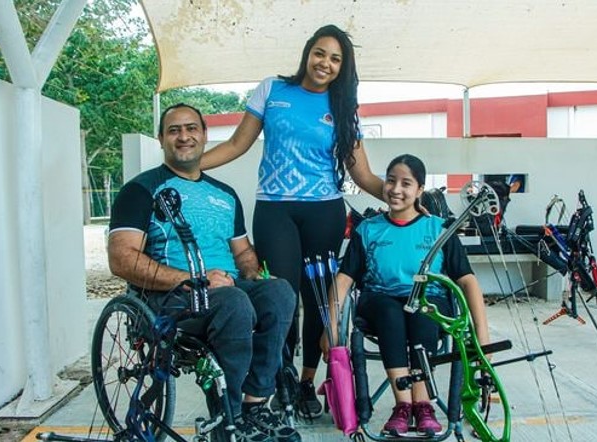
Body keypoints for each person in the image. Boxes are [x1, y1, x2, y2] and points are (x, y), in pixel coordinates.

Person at [198, 24, 383, 417]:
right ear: (307, 53)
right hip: (275, 210)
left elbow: (363, 175)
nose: (325, 63)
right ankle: (278, 375)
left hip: (324, 211)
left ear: (343, 67)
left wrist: (406, 198)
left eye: (335, 59)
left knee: (317, 299)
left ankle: (305, 382)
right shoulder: (272, 90)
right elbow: (237, 144)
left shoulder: (343, 107)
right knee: (279, 296)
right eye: (320, 53)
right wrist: (189, 165)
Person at [107, 103, 300, 442]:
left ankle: (255, 403)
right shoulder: (141, 190)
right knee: (234, 302)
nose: (184, 136)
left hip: (225, 289)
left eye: (191, 128)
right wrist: (190, 279)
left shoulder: (225, 195)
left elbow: (243, 253)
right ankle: (229, 416)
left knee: (280, 292)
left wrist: (255, 273)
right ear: (161, 139)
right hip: (171, 297)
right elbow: (121, 259)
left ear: (205, 135)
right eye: (174, 130)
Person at [320, 154, 491, 437]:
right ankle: (403, 405)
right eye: (391, 181)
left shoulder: (439, 229)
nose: (396, 189)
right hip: (379, 302)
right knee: (390, 313)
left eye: (406, 183)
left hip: (428, 303)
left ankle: (422, 404)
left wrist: (482, 337)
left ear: (420, 190)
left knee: (422, 311)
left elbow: (468, 281)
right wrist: (331, 327)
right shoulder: (368, 230)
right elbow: (343, 280)